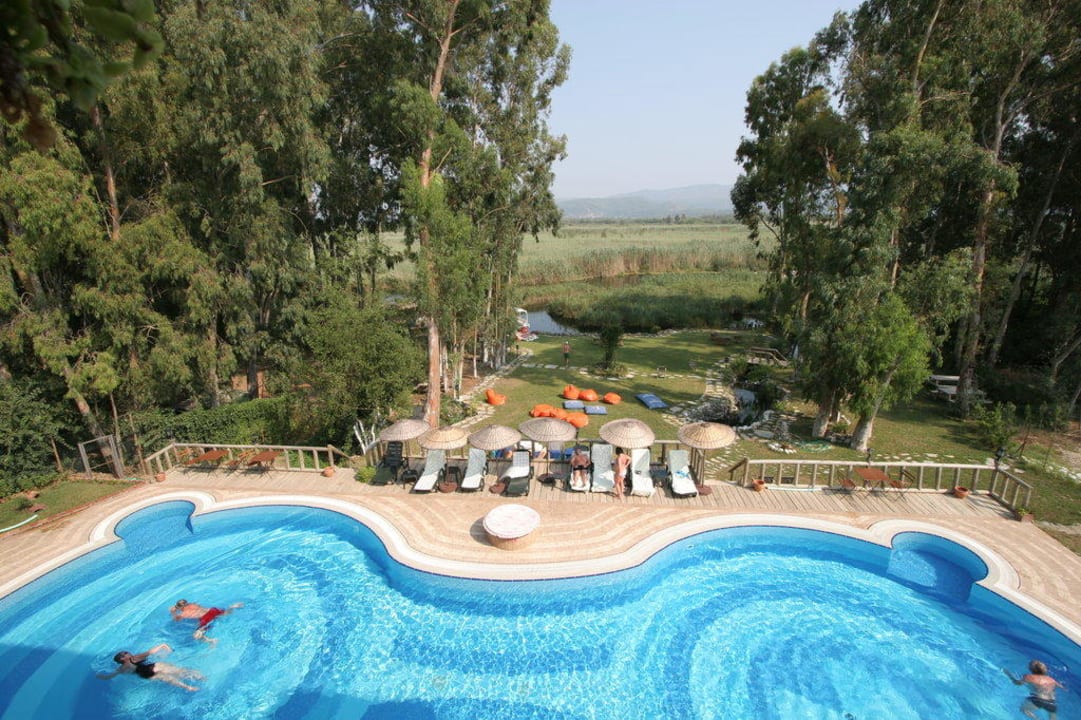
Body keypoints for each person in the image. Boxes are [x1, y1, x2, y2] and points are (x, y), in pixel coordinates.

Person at [97, 643, 204, 691]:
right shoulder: (129, 662)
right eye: (124, 653)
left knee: (174, 675)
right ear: (122, 659)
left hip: (151, 671)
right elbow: (151, 651)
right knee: (174, 676)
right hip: (152, 672)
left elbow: (110, 676)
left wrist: (164, 646)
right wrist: (163, 645)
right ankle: (193, 684)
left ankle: (194, 682)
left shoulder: (126, 665)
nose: (127, 652)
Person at [170, 599, 243, 645]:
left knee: (196, 635)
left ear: (180, 608)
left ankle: (211, 641)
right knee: (226, 612)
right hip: (212, 610)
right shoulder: (193, 604)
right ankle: (233, 607)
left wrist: (172, 612)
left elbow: (176, 619)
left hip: (205, 618)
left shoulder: (184, 613)